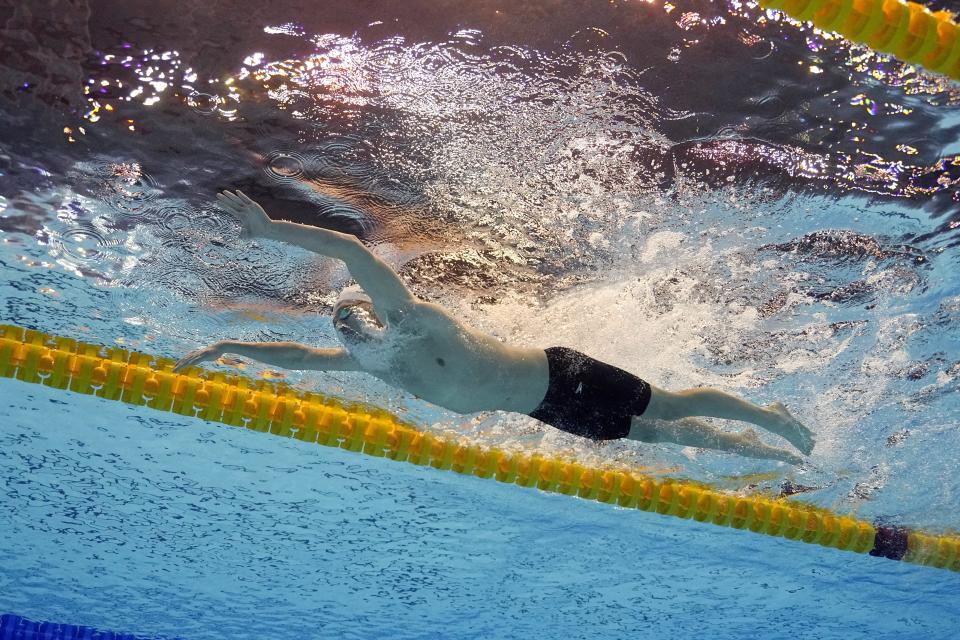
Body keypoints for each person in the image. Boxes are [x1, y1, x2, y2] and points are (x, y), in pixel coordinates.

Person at [175, 190, 815, 465]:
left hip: (558, 370)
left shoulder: (409, 322)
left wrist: (267, 231)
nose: (347, 327)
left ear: (370, 311)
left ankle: (774, 418)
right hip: (545, 410)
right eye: (341, 325)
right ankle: (760, 456)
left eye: (352, 313)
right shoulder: (375, 364)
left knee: (670, 406)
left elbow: (353, 252)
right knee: (664, 439)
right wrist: (227, 345)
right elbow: (291, 356)